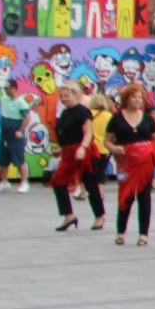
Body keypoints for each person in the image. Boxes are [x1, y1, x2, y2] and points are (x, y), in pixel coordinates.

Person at [106, 84, 155, 245]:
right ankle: (120, 232)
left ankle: (143, 234)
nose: (137, 100)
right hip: (126, 163)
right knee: (126, 195)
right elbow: (107, 141)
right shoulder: (116, 118)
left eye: (140, 97)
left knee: (144, 196)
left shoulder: (148, 119)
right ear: (126, 99)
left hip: (145, 162)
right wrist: (114, 148)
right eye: (134, 97)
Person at [48, 82, 105, 231]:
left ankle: (99, 216)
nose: (63, 99)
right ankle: (69, 216)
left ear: (75, 95)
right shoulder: (64, 113)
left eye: (66, 96)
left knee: (90, 185)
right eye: (61, 96)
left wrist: (82, 148)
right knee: (58, 182)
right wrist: (60, 149)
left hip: (84, 153)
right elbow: (66, 134)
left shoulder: (82, 111)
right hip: (68, 154)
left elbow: (88, 133)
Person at [0, 79, 31, 192]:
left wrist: (20, 131)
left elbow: (27, 118)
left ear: (13, 88)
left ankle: (24, 182)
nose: (5, 90)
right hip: (5, 136)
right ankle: (4, 182)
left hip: (15, 136)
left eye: (6, 88)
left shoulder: (21, 102)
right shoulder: (4, 100)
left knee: (19, 160)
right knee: (3, 160)